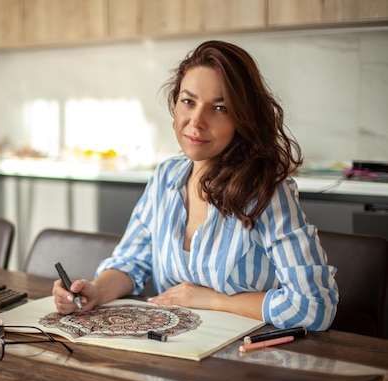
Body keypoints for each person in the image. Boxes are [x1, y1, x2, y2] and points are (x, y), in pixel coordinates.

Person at [52, 40, 338, 331]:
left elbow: (314, 305)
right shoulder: (166, 177)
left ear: (242, 118)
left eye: (219, 108)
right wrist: (96, 291)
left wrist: (214, 301)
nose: (197, 122)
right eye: (188, 102)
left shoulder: (267, 191)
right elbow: (130, 262)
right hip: (172, 353)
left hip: (244, 360)